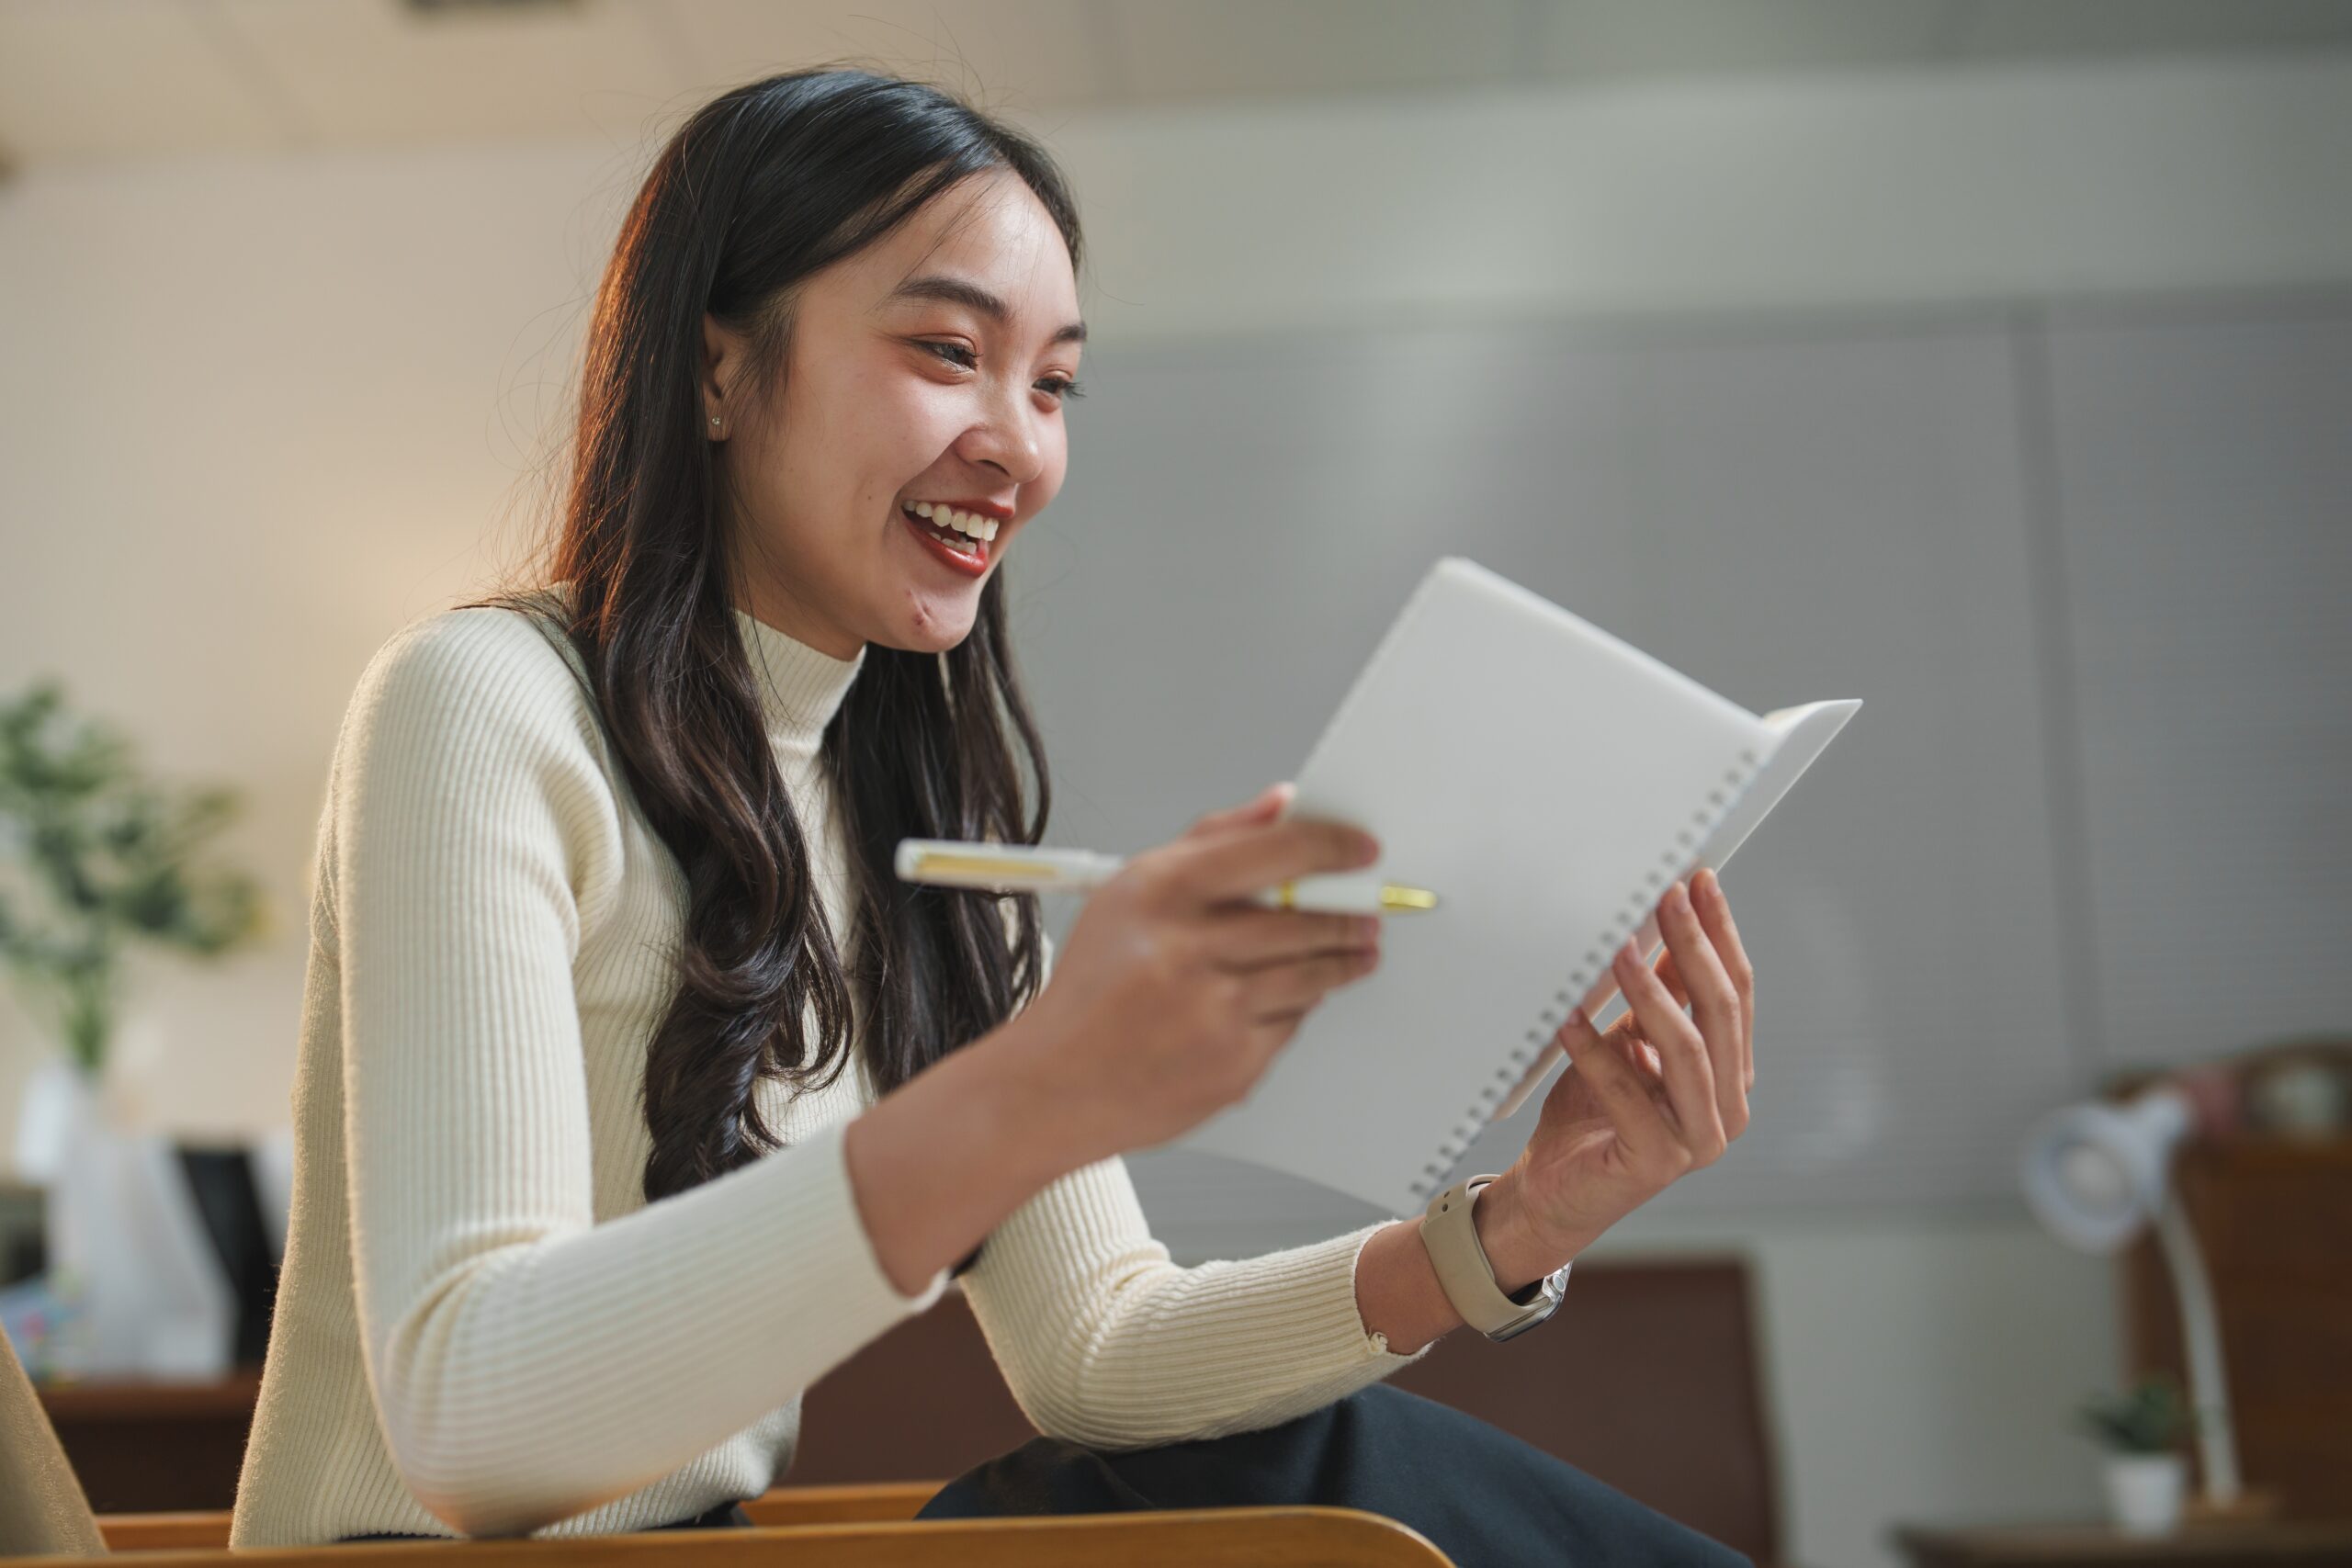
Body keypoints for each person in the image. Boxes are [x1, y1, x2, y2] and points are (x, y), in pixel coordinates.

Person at [226, 67, 1759, 1567]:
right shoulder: (483, 703)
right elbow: (470, 1421)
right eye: (949, 351)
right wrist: (1042, 1085)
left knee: (1306, 1473)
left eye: (1054, 383)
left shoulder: (931, 835)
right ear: (714, 369)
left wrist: (1508, 1232)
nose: (1019, 445)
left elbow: (1098, 1348)